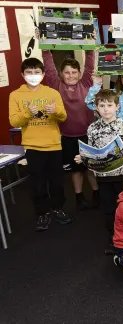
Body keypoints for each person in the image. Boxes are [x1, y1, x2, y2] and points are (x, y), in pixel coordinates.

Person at [9, 58, 70, 231]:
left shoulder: (52, 93)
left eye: (37, 72)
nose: (33, 75)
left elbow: (63, 116)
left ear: (43, 74)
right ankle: (42, 213)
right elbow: (14, 121)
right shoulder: (16, 95)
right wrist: (28, 113)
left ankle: (58, 208)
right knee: (38, 182)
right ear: (23, 75)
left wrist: (55, 111)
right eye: (29, 72)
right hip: (32, 146)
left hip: (53, 144)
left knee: (57, 181)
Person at [74, 89, 123, 254]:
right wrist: (83, 158)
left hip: (122, 174)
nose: (106, 109)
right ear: (96, 107)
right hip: (103, 175)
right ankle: (113, 238)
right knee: (108, 208)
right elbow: (91, 151)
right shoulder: (92, 128)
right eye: (102, 105)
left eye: (110, 105)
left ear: (117, 106)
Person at [42, 48, 98, 210]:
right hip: (68, 137)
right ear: (61, 74)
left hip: (89, 135)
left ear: (80, 74)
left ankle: (96, 193)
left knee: (92, 167)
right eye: (67, 72)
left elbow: (89, 66)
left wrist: (89, 48)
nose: (71, 75)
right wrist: (46, 51)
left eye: (74, 72)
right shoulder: (55, 85)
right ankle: (79, 197)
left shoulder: (86, 83)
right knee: (76, 169)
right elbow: (49, 68)